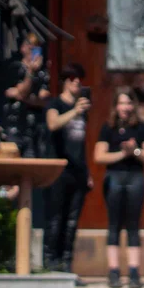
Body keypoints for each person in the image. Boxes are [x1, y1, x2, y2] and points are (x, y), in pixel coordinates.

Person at [93, 87, 144, 288]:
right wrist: (122, 153)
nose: (125, 108)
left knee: (133, 224)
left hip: (135, 177)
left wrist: (134, 150)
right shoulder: (107, 128)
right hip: (114, 177)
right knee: (114, 224)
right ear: (115, 106)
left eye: (128, 103)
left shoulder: (141, 128)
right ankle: (113, 270)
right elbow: (99, 156)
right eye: (121, 103)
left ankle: (134, 271)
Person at [45, 63, 92, 276]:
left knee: (72, 222)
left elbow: (81, 144)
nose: (78, 84)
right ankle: (49, 265)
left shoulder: (83, 109)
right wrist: (74, 111)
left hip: (78, 171)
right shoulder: (55, 104)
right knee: (56, 219)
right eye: (73, 80)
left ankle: (66, 267)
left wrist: (87, 171)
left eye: (80, 81)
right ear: (65, 82)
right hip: (58, 170)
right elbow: (52, 124)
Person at [3, 34, 51, 158]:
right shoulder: (16, 67)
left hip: (35, 129)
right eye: (30, 48)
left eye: (36, 49)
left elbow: (44, 99)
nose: (32, 52)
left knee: (32, 168)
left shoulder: (42, 73)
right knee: (11, 166)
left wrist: (22, 96)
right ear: (23, 48)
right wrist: (30, 72)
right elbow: (22, 91)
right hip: (16, 127)